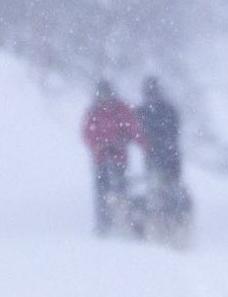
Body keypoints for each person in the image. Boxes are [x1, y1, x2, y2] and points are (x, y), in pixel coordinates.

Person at [135, 75, 191, 245]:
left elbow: (174, 131)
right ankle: (160, 226)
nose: (151, 95)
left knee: (171, 192)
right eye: (149, 92)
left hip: (170, 158)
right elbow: (137, 132)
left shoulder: (167, 110)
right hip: (154, 158)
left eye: (153, 92)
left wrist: (159, 141)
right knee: (156, 192)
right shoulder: (142, 111)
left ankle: (174, 224)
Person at [82, 80, 140, 236]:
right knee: (102, 192)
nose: (104, 98)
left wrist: (123, 140)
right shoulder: (94, 112)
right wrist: (99, 145)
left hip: (119, 158)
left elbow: (132, 128)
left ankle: (125, 221)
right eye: (102, 94)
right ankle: (104, 224)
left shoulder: (122, 110)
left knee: (121, 190)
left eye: (106, 94)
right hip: (101, 159)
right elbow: (88, 134)